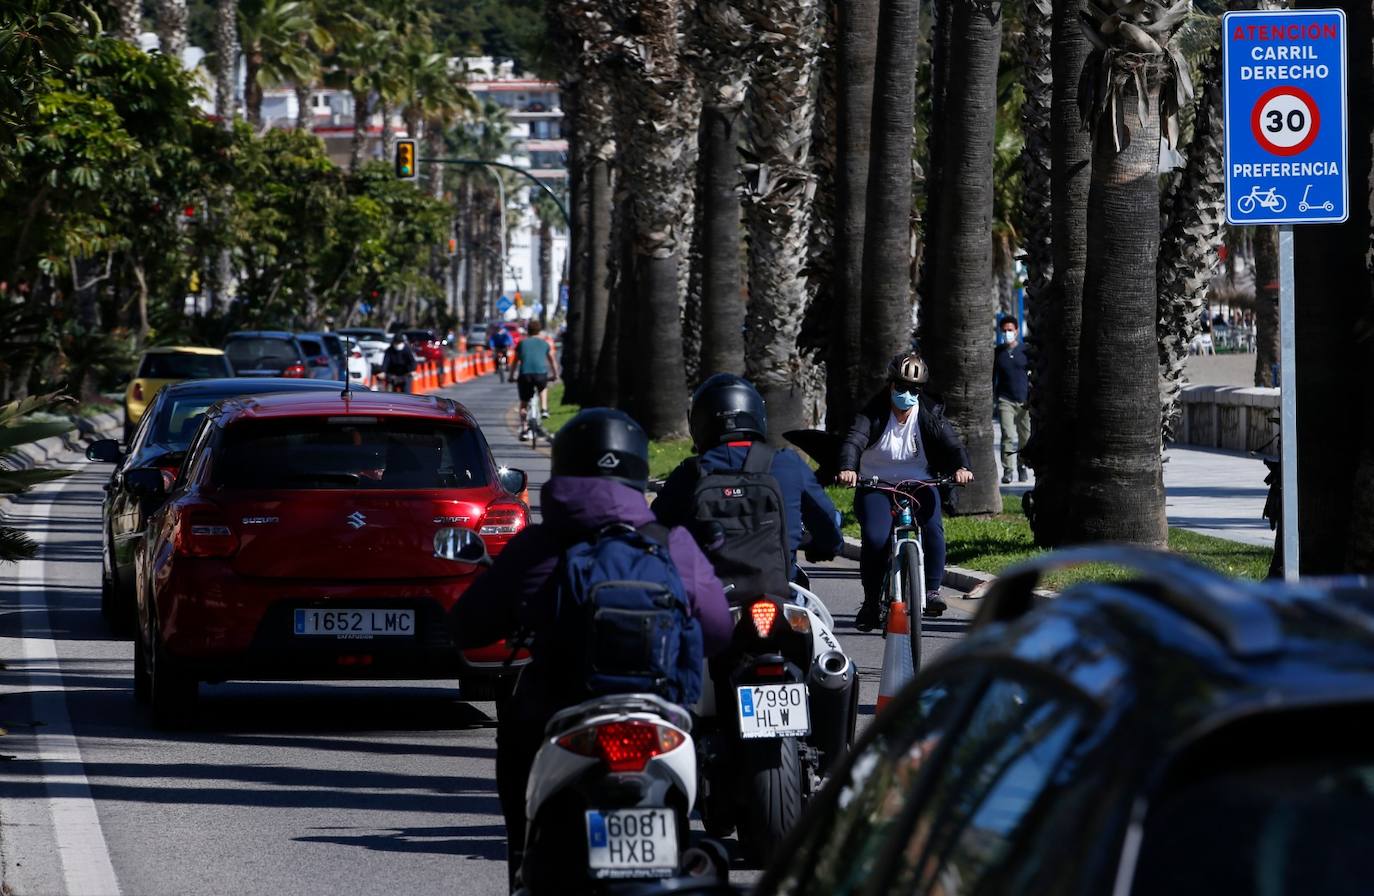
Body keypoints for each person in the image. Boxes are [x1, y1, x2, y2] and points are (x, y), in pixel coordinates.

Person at [448, 409, 732, 888]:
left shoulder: (537, 546)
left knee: (516, 751)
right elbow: (720, 630)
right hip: (658, 714)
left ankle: (521, 862)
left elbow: (470, 627)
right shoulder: (670, 544)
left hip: (558, 712)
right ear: (638, 470)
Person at [654, 373, 845, 587]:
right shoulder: (787, 463)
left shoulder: (689, 473)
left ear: (699, 421)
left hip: (713, 596)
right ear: (757, 413)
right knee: (814, 616)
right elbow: (826, 520)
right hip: (777, 591)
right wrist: (829, 545)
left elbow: (655, 530)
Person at [837, 353, 974, 629]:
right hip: (876, 484)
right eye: (901, 387)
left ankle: (932, 590)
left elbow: (953, 446)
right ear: (890, 386)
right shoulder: (873, 412)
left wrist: (962, 467)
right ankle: (871, 602)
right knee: (875, 540)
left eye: (914, 390)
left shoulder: (929, 412)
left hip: (920, 483)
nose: (907, 394)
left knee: (934, 529)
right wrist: (848, 467)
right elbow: (854, 440)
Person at [993, 316, 1031, 483]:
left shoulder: (1025, 351)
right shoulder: (998, 352)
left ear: (1016, 331)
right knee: (1007, 435)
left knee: (1025, 437)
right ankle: (1008, 470)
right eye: (1005, 330)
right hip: (1005, 400)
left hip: (1024, 401)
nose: (1008, 333)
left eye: (1010, 330)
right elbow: (992, 376)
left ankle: (1022, 466)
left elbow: (1032, 375)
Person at [512, 319, 557, 440]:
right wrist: (555, 374)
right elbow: (552, 360)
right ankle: (544, 409)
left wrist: (511, 376)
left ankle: (525, 429)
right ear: (539, 330)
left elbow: (515, 361)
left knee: (523, 403)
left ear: (528, 331)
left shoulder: (522, 343)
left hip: (525, 375)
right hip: (540, 375)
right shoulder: (544, 343)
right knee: (543, 388)